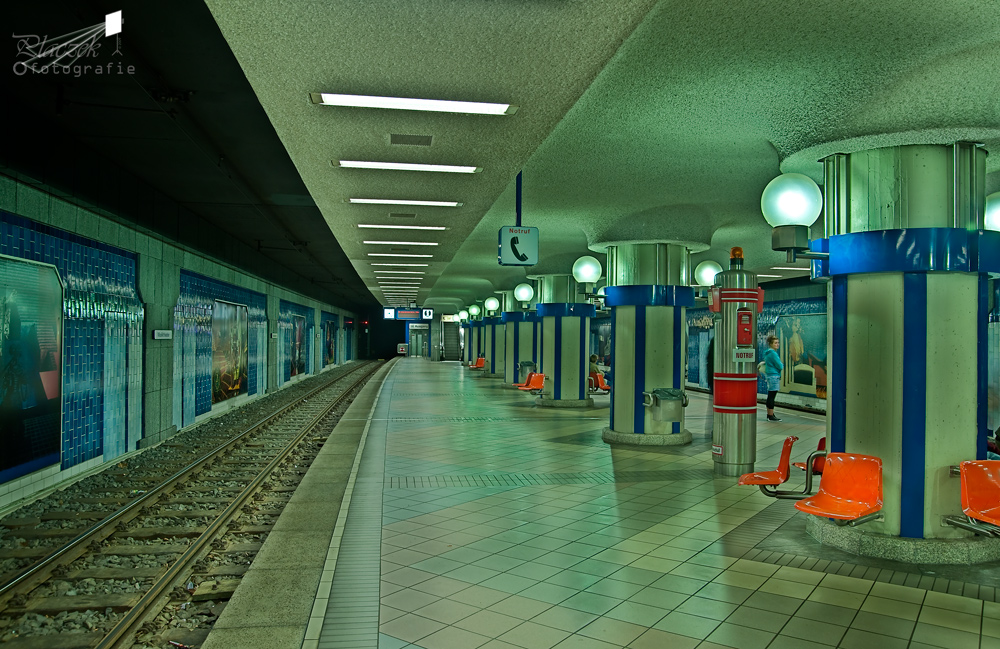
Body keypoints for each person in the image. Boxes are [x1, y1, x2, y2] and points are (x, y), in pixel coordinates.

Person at [763, 334, 784, 421]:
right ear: (771, 344)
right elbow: (780, 366)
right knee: (772, 396)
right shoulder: (773, 354)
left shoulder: (767, 353)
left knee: (770, 395)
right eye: (775, 343)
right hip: (774, 376)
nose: (777, 344)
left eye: (778, 343)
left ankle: (770, 414)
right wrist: (781, 364)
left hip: (769, 376)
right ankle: (771, 416)